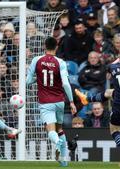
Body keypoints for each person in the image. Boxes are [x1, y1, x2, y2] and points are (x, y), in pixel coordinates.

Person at [75, 46, 120, 166]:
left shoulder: (112, 66)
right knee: (108, 92)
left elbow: (109, 73)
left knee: (114, 130)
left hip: (119, 102)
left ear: (118, 55)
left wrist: (117, 60)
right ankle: (87, 99)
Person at [26, 37, 77, 167]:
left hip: (45, 102)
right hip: (60, 101)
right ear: (57, 47)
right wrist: (71, 102)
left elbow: (27, 81)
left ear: (44, 46)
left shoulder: (36, 60)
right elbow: (65, 84)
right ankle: (64, 161)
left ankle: (58, 144)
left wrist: (38, 79)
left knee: (51, 130)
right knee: (59, 129)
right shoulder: (61, 62)